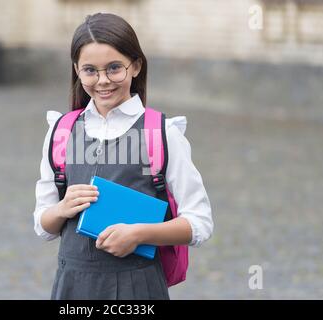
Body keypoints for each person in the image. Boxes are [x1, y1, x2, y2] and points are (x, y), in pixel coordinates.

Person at [33, 12, 213, 300]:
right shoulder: (61, 132)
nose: (102, 81)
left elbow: (200, 222)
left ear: (136, 66)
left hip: (138, 288)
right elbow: (43, 225)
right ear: (77, 70)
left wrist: (140, 234)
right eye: (90, 70)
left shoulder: (162, 134)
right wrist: (61, 209)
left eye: (114, 68)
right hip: (72, 287)